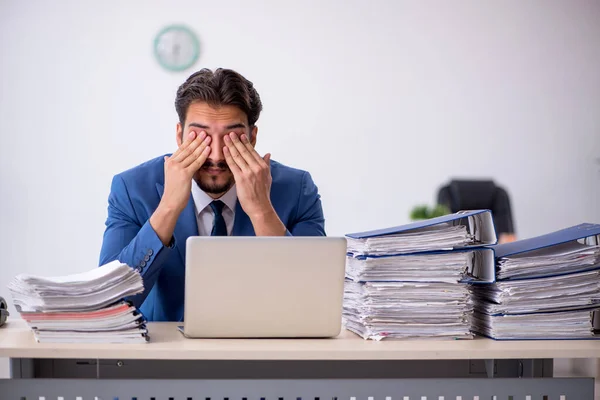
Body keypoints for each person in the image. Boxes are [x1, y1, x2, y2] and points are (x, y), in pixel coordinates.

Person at [99, 68, 325, 321]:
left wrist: (261, 211)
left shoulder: (297, 189)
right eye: (201, 136)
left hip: (264, 352)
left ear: (252, 137)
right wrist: (168, 209)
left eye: (231, 137)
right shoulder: (132, 189)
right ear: (179, 135)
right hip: (166, 356)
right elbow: (109, 303)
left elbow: (313, 301)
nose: (216, 156)